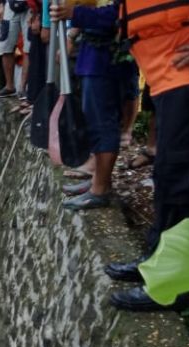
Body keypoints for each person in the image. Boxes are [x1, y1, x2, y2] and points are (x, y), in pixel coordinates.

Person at [97, 0, 189, 310]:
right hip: (168, 74)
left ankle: (173, 286)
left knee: (181, 180)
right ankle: (156, 260)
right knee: (167, 175)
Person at [52, 0, 133, 211]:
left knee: (102, 123)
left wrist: (75, 13)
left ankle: (100, 190)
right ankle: (99, 179)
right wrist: (72, 31)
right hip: (93, 54)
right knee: (94, 121)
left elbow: (118, 14)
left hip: (107, 56)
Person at [0, 0, 32, 98]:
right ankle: (9, 87)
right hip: (10, 5)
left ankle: (23, 89)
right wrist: (1, 5)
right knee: (5, 45)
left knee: (29, 48)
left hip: (30, 6)